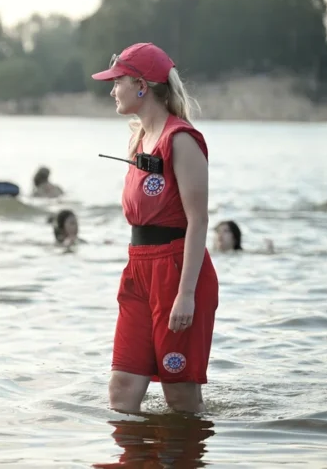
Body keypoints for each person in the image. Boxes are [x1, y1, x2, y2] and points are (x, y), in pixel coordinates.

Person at [91, 42, 218, 414]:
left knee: (179, 396)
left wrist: (186, 294)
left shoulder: (180, 139)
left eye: (118, 82)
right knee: (121, 389)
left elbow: (199, 220)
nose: (112, 90)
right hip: (138, 270)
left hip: (177, 272)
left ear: (142, 85)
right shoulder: (137, 140)